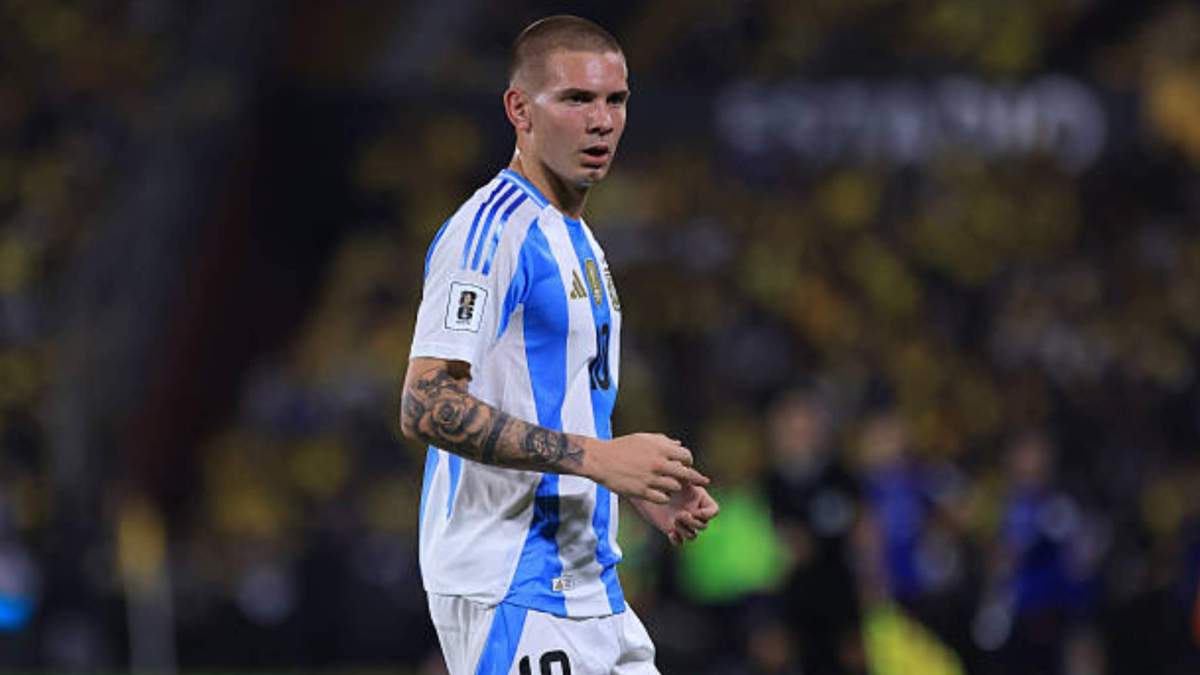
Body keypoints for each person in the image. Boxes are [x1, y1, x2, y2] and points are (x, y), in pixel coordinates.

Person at [398, 15, 719, 675]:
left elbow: (551, 402)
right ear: (520, 109)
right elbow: (425, 403)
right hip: (512, 583)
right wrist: (600, 459)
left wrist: (636, 484)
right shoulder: (490, 231)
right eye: (576, 99)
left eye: (615, 100)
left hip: (586, 580)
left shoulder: (578, 237)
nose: (601, 122)